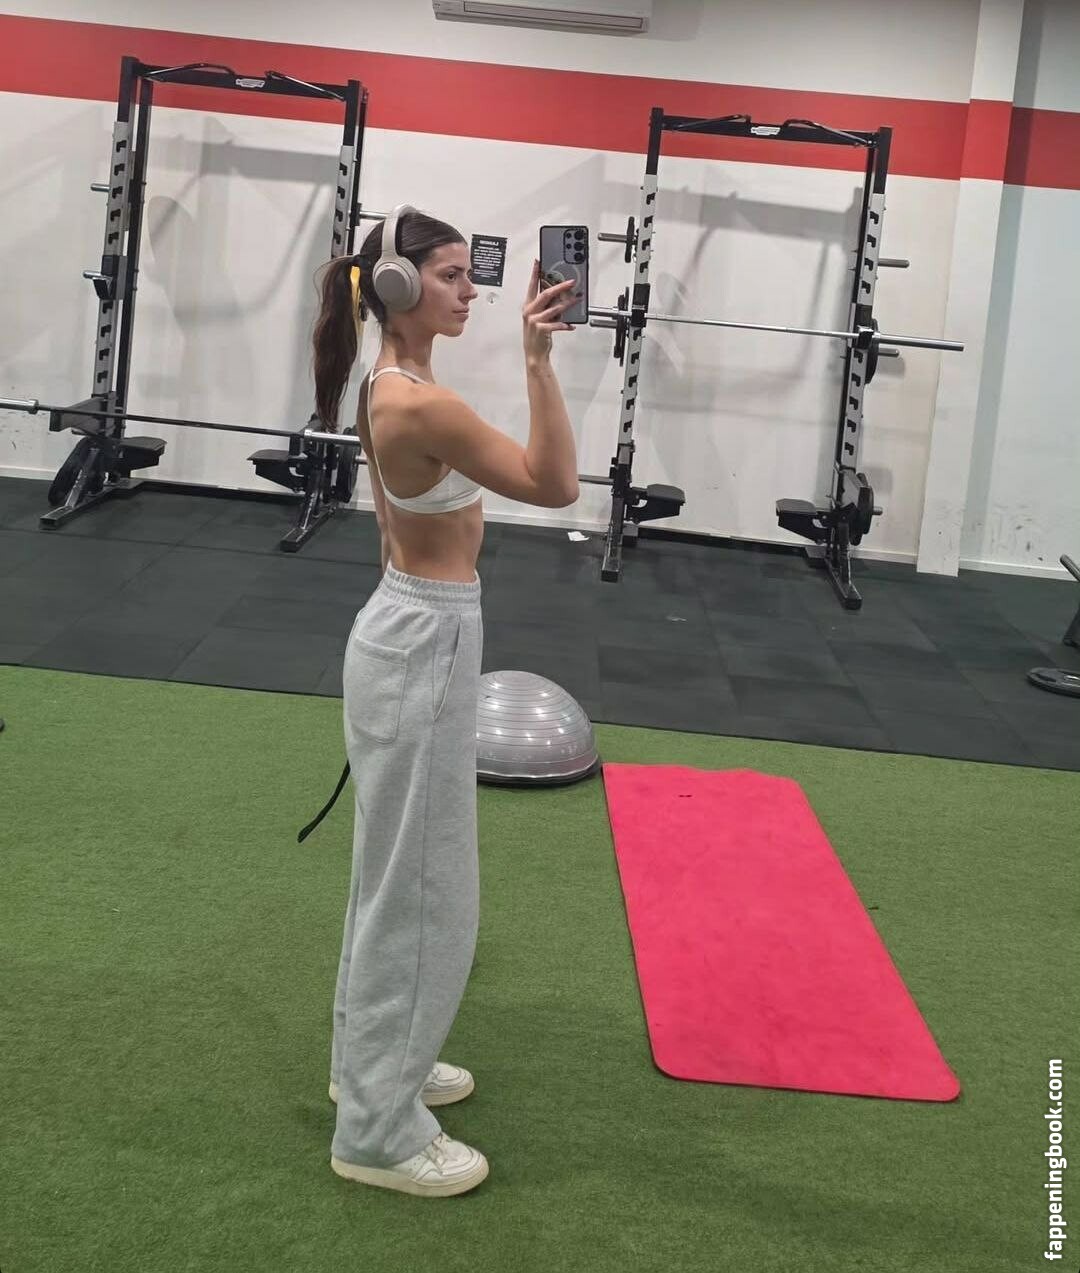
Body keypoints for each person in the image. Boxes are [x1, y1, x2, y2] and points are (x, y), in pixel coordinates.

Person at [309, 205, 579, 1198]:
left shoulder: (396, 383)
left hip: (412, 629)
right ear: (396, 286)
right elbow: (556, 483)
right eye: (454, 275)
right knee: (426, 891)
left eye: (472, 275)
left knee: (394, 878)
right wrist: (539, 360)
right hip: (422, 638)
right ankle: (378, 1132)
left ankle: (371, 1069)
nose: (472, 291)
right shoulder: (422, 404)